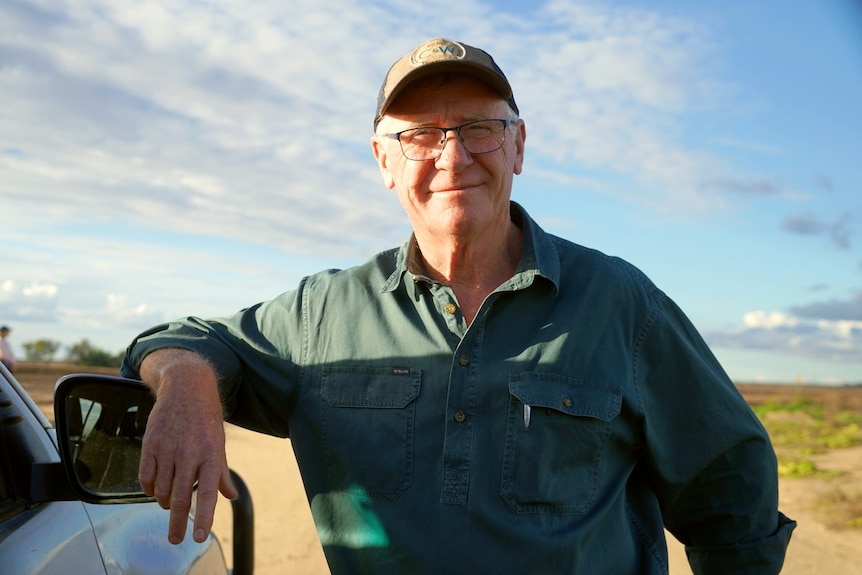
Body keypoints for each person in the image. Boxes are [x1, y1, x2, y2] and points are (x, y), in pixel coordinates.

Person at [121, 38, 795, 573]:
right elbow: (185, 338)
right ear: (384, 161)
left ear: (518, 146)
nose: (452, 154)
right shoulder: (323, 312)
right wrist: (186, 385)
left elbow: (730, 494)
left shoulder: (622, 303)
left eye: (479, 128)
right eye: (419, 134)